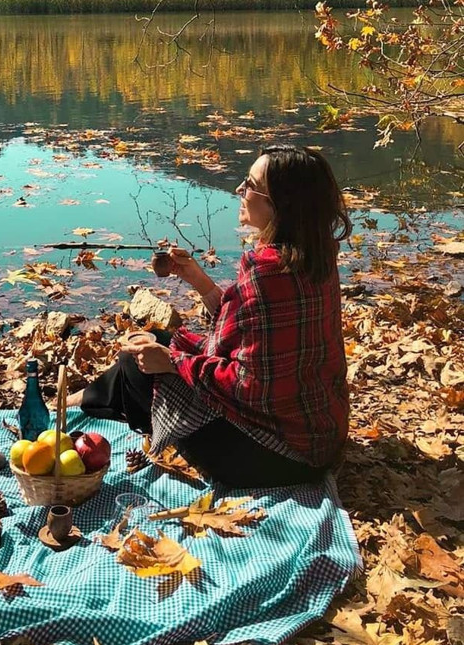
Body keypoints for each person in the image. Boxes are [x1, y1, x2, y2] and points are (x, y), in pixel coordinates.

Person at [70, 144, 352, 488]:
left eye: (250, 185)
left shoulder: (267, 272)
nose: (239, 190)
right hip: (321, 434)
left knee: (138, 363)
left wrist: (172, 362)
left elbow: (249, 387)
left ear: (280, 205)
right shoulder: (314, 255)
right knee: (158, 341)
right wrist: (199, 281)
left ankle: (83, 405)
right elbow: (249, 328)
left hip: (277, 455)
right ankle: (84, 400)